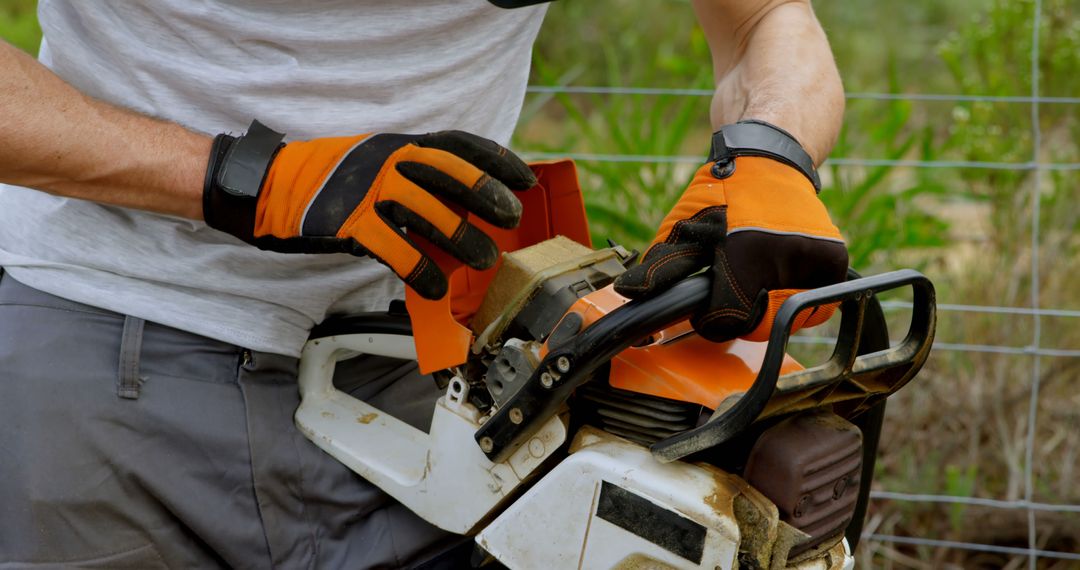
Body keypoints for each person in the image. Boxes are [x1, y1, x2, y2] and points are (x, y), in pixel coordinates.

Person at [0, 0, 847, 568]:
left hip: (443, 382)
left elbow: (767, 19)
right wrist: (250, 178)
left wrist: (771, 153)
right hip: (104, 356)